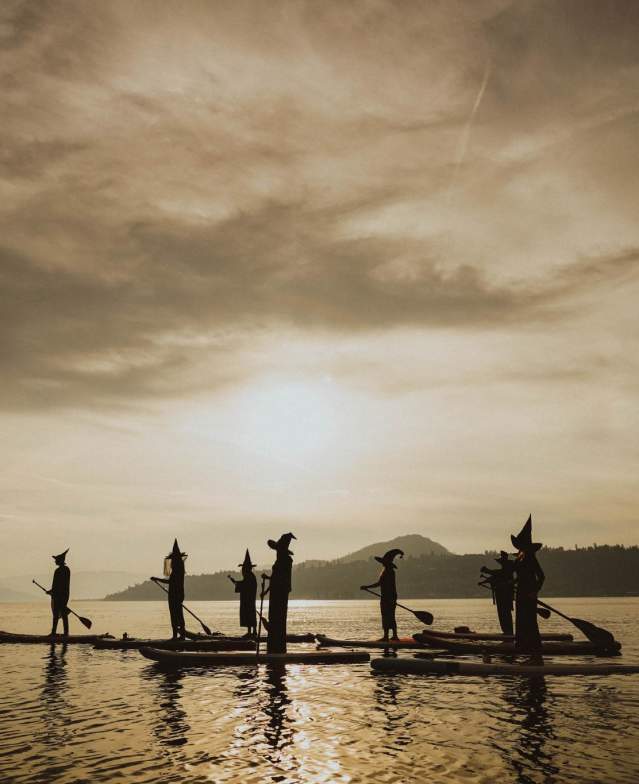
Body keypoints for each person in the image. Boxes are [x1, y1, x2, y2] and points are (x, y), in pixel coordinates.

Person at [511, 515, 545, 665]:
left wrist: (534, 591)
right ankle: (526, 650)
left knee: (530, 623)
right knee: (522, 622)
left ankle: (536, 655)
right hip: (521, 594)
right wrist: (512, 583)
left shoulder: (530, 557)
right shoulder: (521, 558)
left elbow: (541, 576)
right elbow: (520, 577)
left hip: (529, 594)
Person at [361, 548, 404, 641]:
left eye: (383, 562)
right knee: (389, 616)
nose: (382, 563)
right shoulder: (387, 571)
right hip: (388, 597)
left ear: (387, 563)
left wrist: (367, 587)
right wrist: (367, 587)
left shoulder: (388, 572)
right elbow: (380, 584)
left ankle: (387, 636)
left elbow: (380, 584)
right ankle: (393, 636)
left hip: (388, 597)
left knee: (387, 616)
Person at [264, 533, 296, 654]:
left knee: (277, 620)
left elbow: (276, 579)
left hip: (279, 594)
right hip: (278, 593)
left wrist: (267, 587)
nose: (276, 551)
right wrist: (266, 590)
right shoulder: (283, 560)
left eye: (278, 549)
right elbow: (274, 578)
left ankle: (276, 646)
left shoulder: (284, 561)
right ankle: (276, 644)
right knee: (276, 620)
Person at [152, 539, 187, 640]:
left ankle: (178, 636)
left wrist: (157, 579)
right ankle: (179, 635)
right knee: (177, 613)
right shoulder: (178, 568)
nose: (171, 562)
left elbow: (170, 582)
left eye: (173, 560)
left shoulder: (177, 569)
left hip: (175, 594)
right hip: (176, 594)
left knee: (176, 614)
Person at [480, 550, 516, 635]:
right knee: (503, 613)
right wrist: (483, 581)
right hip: (502, 595)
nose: (502, 564)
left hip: (505, 596)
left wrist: (486, 571)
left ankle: (508, 632)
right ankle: (507, 631)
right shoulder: (504, 571)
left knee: (504, 613)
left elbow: (494, 573)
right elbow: (493, 576)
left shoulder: (506, 571)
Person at [227, 549, 258, 638]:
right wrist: (234, 581)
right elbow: (243, 584)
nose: (243, 570)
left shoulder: (250, 576)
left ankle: (252, 632)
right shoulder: (250, 576)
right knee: (250, 613)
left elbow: (244, 585)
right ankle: (252, 632)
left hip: (249, 599)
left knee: (250, 613)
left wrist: (235, 582)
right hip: (248, 599)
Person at [49, 548, 71, 637]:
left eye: (56, 560)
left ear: (59, 561)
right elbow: (61, 584)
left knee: (56, 615)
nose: (55, 561)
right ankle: (66, 633)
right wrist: (52, 591)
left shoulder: (58, 571)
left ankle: (54, 633)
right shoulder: (67, 570)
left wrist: (51, 592)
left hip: (59, 596)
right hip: (65, 596)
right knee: (63, 614)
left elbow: (56, 585)